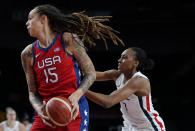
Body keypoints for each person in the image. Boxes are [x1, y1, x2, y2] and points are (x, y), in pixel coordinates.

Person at [21, 4, 124, 131]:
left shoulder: (68, 39)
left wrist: (76, 95)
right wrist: (38, 108)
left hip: (73, 108)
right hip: (46, 112)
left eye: (30, 18)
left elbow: (90, 73)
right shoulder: (27, 53)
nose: (27, 23)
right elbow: (32, 92)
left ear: (43, 19)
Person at [85, 47, 166, 131]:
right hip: (130, 127)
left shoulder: (139, 81)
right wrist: (77, 60)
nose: (119, 60)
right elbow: (90, 75)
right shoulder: (116, 74)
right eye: (120, 57)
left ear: (135, 63)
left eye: (124, 57)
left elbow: (108, 102)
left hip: (148, 127)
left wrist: (81, 90)